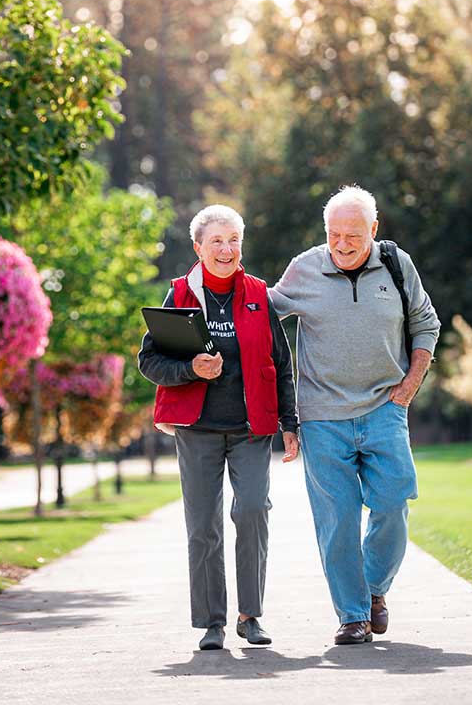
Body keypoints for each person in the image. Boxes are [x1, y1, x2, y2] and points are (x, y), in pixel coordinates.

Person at [269, 185, 440, 645]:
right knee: (338, 520)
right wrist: (207, 294)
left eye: (353, 235)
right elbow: (259, 311)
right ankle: (352, 615)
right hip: (323, 418)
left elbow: (426, 322)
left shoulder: (397, 265)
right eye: (334, 234)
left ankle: (373, 590)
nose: (342, 244)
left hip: (386, 408)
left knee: (392, 506)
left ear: (374, 230)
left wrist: (408, 387)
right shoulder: (305, 268)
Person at [138, 204, 299, 651]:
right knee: (203, 525)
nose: (226, 249)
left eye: (233, 240)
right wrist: (190, 368)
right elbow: (149, 360)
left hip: (250, 428)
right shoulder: (180, 295)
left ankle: (251, 615)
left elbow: (280, 363)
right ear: (198, 247)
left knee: (252, 511)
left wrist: (290, 422)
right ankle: (212, 622)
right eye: (216, 241)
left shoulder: (257, 294)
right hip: (197, 430)